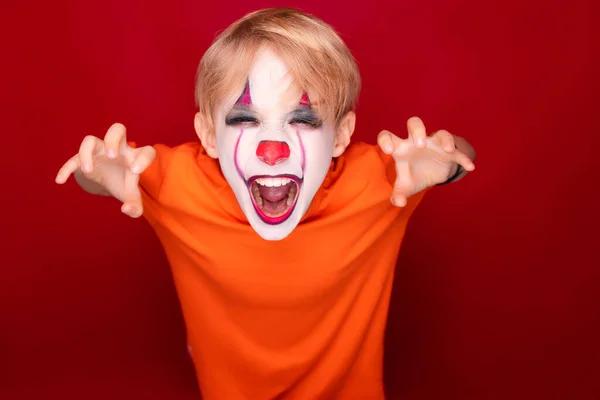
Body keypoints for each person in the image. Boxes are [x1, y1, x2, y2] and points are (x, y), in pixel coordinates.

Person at [55, 7, 476, 400]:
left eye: (303, 119)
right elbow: (103, 178)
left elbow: (462, 154)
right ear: (207, 135)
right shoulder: (175, 180)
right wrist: (94, 175)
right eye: (244, 119)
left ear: (343, 135)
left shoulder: (385, 179)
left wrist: (446, 162)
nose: (272, 149)